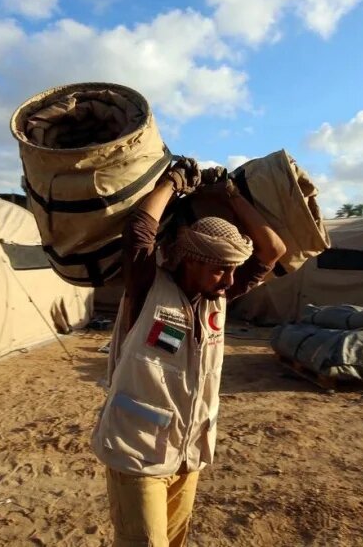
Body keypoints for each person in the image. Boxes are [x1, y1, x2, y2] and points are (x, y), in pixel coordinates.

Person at [91, 158, 286, 546]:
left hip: (188, 451)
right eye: (220, 269)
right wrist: (173, 182)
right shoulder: (147, 287)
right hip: (137, 450)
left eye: (234, 269)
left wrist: (231, 193)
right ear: (191, 260)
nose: (231, 280)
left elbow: (273, 249)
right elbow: (139, 230)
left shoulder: (219, 297)